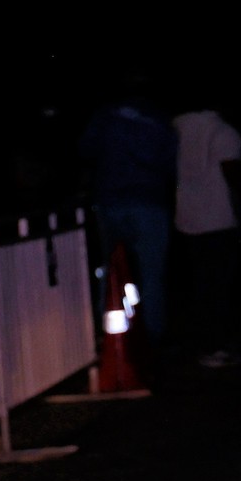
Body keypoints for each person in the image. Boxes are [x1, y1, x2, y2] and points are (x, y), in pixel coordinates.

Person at [79, 77, 178, 344]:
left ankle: (106, 330)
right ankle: (153, 334)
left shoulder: (105, 115)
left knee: (109, 266)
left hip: (110, 200)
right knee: (152, 272)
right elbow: (170, 161)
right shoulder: (159, 118)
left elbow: (86, 149)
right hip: (149, 201)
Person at [170, 99, 241, 366]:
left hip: (187, 218)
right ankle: (215, 345)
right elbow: (233, 175)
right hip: (219, 218)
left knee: (199, 283)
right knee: (218, 285)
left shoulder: (178, 129)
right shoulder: (224, 132)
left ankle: (201, 342)